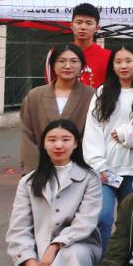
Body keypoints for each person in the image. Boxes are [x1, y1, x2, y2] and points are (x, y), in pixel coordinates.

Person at [6, 120, 102, 266]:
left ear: (76, 144)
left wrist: (55, 246)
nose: (59, 145)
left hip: (79, 244)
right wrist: (29, 260)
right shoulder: (28, 182)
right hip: (38, 252)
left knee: (72, 256)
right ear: (44, 145)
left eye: (65, 139)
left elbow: (85, 222)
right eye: (52, 140)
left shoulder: (90, 178)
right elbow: (19, 228)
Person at [83, 45, 133, 248]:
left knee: (131, 221)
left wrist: (127, 134)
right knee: (102, 218)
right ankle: (102, 260)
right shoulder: (102, 92)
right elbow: (92, 129)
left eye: (128, 61)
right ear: (112, 65)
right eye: (118, 62)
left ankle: (124, 261)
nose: (123, 66)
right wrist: (99, 165)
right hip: (106, 170)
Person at [21, 44, 96, 173]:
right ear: (53, 65)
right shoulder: (35, 96)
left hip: (79, 166)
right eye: (61, 61)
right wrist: (33, 168)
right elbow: (27, 135)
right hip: (41, 167)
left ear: (82, 66)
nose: (67, 66)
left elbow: (95, 135)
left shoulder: (92, 95)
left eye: (74, 61)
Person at [44, 3, 110, 88]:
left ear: (97, 28)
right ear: (71, 25)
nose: (83, 27)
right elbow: (50, 88)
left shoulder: (108, 56)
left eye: (89, 23)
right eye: (79, 22)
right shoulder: (56, 53)